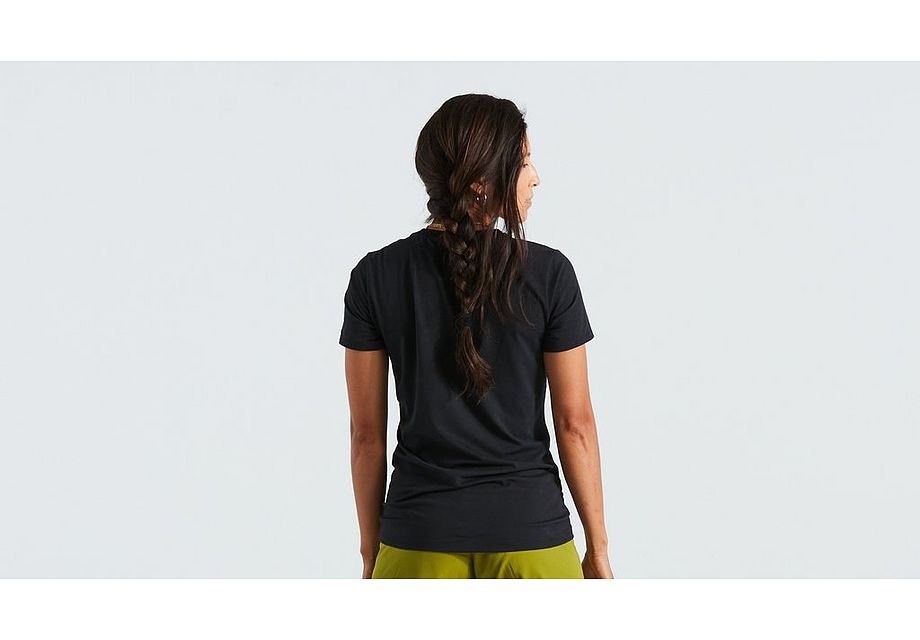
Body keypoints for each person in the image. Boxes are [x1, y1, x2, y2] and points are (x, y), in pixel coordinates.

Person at [339, 93, 614, 579]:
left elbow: (365, 437)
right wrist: (598, 550)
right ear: (480, 182)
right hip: (532, 538)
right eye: (524, 162)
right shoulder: (550, 273)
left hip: (417, 539)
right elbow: (575, 424)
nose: (535, 177)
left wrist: (370, 553)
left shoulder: (374, 276)